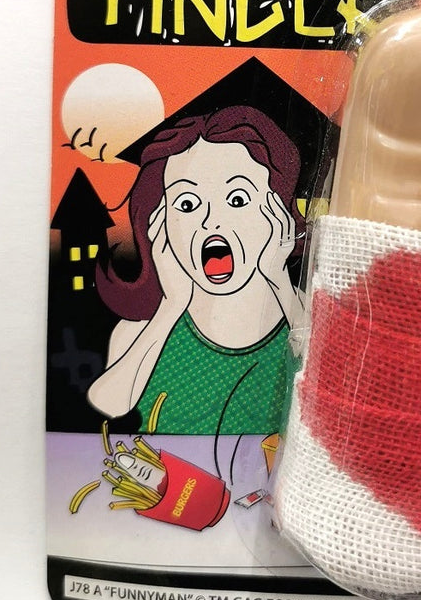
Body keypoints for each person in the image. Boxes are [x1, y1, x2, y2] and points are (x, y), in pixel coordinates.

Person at [88, 107, 303, 436]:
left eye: (237, 199)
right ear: (159, 223)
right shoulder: (143, 328)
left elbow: (335, 383)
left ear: (277, 212)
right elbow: (109, 404)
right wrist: (171, 306)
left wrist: (280, 282)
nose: (211, 221)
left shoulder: (301, 313)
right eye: (187, 204)